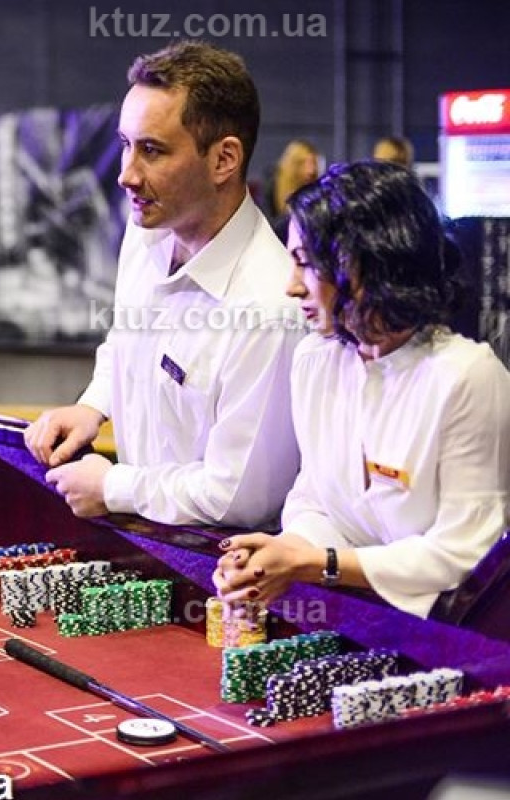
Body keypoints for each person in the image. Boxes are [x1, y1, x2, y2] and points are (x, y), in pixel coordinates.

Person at [24, 41, 302, 527]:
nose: (126, 175)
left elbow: (239, 498)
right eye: (125, 145)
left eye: (151, 150)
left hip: (215, 562)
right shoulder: (147, 232)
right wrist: (93, 405)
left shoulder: (269, 309)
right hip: (141, 535)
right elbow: (126, 340)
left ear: (224, 159)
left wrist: (114, 488)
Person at [214, 161, 510, 617]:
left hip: (458, 637)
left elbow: (464, 556)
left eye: (305, 263)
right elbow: (312, 500)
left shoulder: (467, 376)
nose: (291, 287)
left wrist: (315, 563)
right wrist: (281, 554)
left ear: (366, 264)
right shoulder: (314, 359)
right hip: (354, 619)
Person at [266, 139, 321, 240]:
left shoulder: (318, 194)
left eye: (313, 163)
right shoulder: (271, 190)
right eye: (303, 163)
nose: (311, 170)